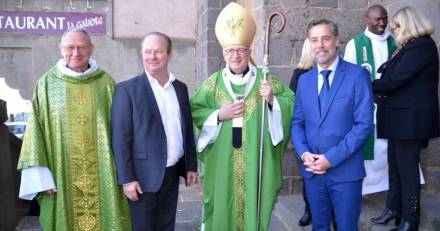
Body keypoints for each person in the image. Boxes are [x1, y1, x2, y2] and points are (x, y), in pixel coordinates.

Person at [190, 3, 294, 231]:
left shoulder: (266, 81)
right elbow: (195, 112)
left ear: (249, 52)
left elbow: (290, 104)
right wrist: (218, 114)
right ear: (223, 53)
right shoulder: (212, 84)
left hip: (255, 163)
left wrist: (272, 101)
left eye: (241, 50)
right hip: (222, 163)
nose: (235, 55)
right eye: (230, 51)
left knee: (252, 214)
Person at [17, 29, 131, 231]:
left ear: (92, 49)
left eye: (82, 47)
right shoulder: (46, 84)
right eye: (70, 47)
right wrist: (41, 177)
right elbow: (35, 131)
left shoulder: (107, 84)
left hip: (104, 177)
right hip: (61, 176)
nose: (76, 53)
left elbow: (123, 131)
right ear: (61, 49)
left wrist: (125, 174)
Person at [291, 19, 374, 230]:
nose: (320, 45)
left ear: (337, 41)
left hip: (345, 172)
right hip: (313, 172)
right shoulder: (304, 80)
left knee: (346, 227)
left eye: (325, 39)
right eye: (314, 40)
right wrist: (303, 153)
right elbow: (298, 123)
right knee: (319, 227)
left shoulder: (358, 76)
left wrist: (331, 158)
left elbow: (364, 125)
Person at [111, 31, 198, 231]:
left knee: (167, 226)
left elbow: (186, 128)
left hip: (171, 172)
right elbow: (120, 139)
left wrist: (190, 165)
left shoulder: (180, 88)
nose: (152, 57)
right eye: (147, 52)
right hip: (142, 177)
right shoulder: (127, 90)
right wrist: (127, 179)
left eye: (158, 51)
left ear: (169, 54)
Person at [371, 6, 439, 231]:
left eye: (396, 27)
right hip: (400, 121)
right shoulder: (409, 47)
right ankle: (394, 209)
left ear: (408, 24)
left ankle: (411, 219)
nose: (393, 31)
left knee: (408, 172)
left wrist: (365, 85)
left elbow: (395, 80)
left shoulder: (421, 46)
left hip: (410, 123)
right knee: (395, 167)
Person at [344, 4, 402, 195]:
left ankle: (388, 189)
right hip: (366, 105)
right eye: (377, 19)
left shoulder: (396, 43)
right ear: (366, 20)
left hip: (391, 105)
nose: (382, 23)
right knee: (371, 147)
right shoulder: (355, 44)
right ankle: (367, 189)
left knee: (388, 149)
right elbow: (349, 77)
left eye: (385, 18)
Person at [289, 38, 315, 227]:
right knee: (308, 173)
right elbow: (292, 101)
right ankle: (309, 209)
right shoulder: (299, 74)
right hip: (306, 131)